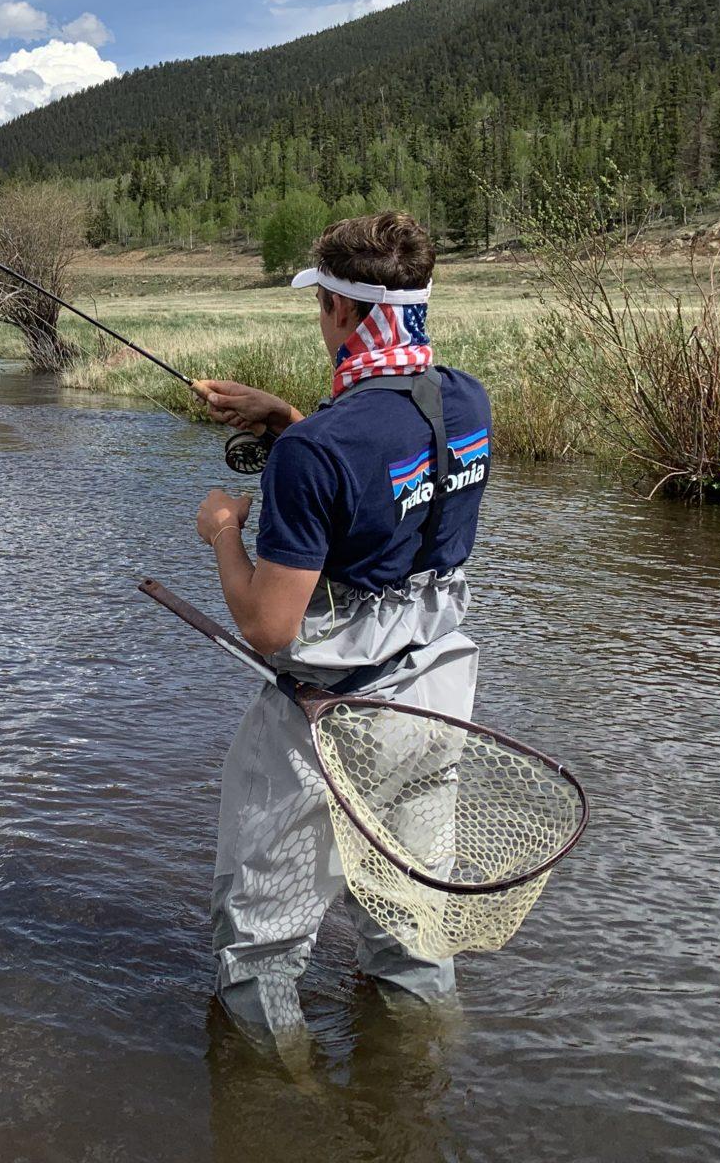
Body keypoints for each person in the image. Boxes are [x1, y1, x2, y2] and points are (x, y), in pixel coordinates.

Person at [189, 211, 493, 1044]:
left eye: (320, 300)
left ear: (342, 311)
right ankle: (424, 1089)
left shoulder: (316, 454)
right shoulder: (468, 401)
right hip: (437, 702)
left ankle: (277, 1108)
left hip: (332, 724)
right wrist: (289, 418)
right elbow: (394, 499)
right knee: (412, 928)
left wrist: (224, 530)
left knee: (260, 949)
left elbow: (267, 626)